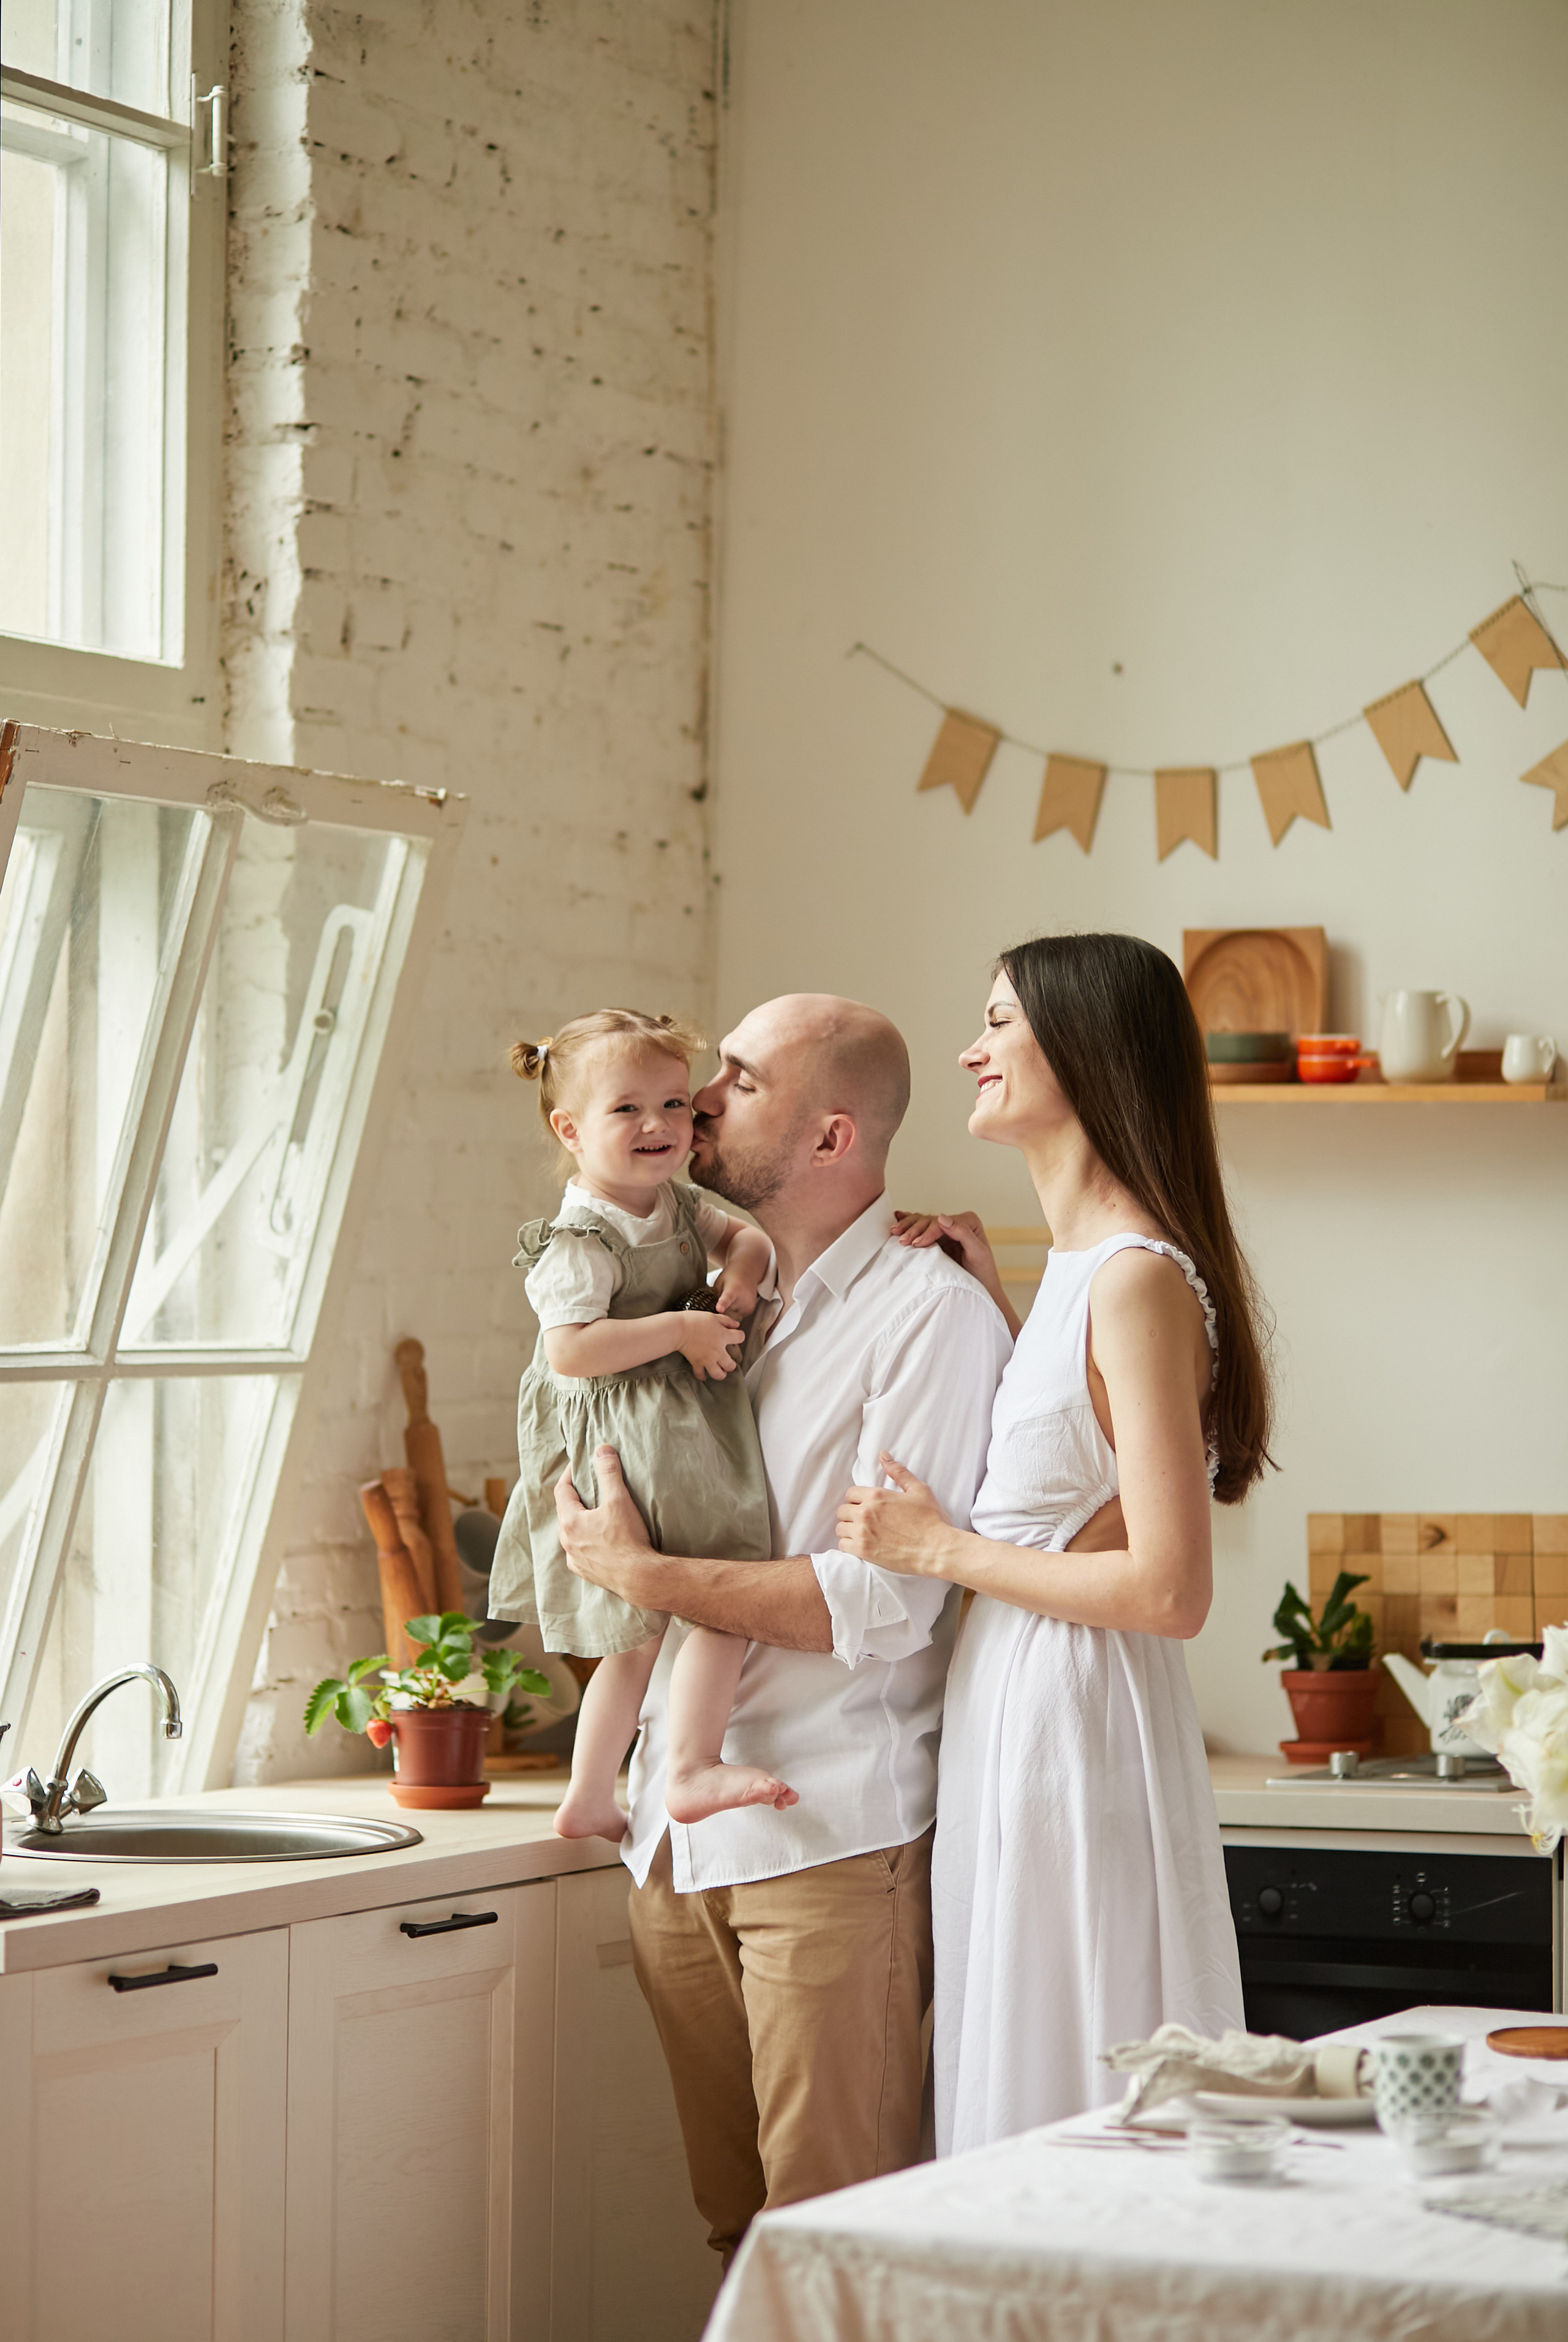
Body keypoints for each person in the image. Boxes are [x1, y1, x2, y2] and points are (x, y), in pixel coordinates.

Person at [551, 995, 1012, 2265]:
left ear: (828, 1136)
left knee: (838, 2243)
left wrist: (643, 1570)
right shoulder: (707, 1296)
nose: (697, 1100)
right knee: (736, 2236)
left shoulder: (930, 1316)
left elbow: (877, 1602)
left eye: (738, 1084)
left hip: (823, 1839)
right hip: (672, 1845)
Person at [836, 933, 1270, 2151]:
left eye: (996, 1024)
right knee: (1030, 2053)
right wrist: (1005, 1302)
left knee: (1068, 2063)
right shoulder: (1089, 1272)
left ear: (1082, 1051)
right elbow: (1085, 1473)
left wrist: (936, 1549)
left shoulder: (1132, 1279)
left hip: (1069, 1708)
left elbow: (1168, 1587)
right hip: (1020, 1701)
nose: (969, 1050)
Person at [488, 1006, 795, 1843]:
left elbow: (751, 1241)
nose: (659, 1125)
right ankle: (690, 1766)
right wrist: (682, 1330)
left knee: (641, 1629)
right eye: (627, 1109)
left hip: (671, 1421)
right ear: (572, 1129)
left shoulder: (677, 1202)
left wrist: (738, 1274)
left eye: (674, 1105)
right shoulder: (579, 1239)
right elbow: (571, 1353)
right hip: (624, 1433)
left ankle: (591, 1794)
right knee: (722, 1593)